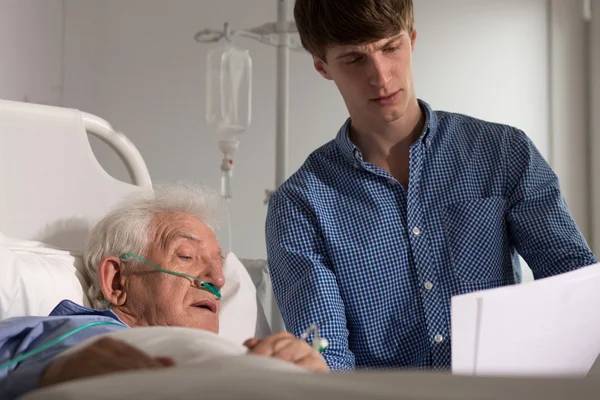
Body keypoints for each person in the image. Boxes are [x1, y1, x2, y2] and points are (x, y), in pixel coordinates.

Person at [265, 0, 597, 371]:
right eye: (355, 60)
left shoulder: (503, 152)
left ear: (412, 38)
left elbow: (574, 285)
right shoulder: (300, 204)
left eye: (391, 47)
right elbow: (325, 352)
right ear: (322, 66)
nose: (381, 76)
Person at [0, 183, 328, 400]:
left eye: (218, 265)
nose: (217, 279)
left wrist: (302, 380)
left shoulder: (240, 351)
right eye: (186, 256)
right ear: (116, 281)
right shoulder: (54, 333)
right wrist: (52, 376)